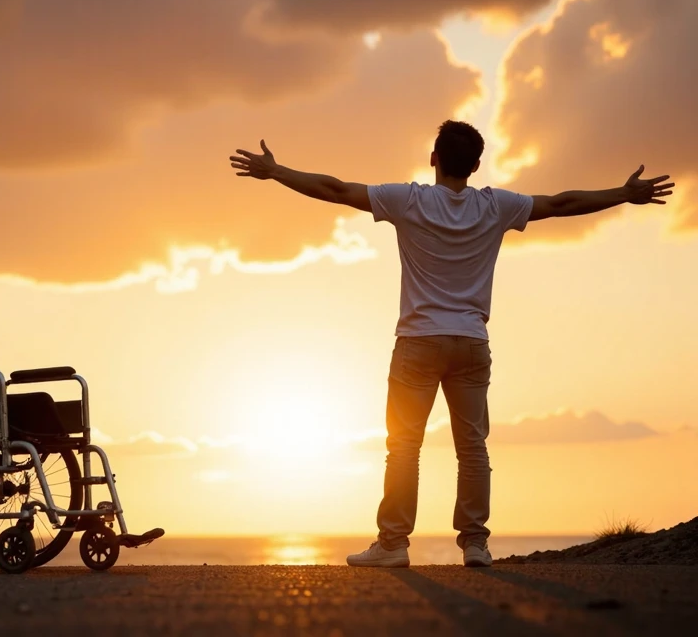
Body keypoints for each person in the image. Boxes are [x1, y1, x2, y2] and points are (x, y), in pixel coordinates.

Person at [229, 120, 674, 568]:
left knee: (404, 446)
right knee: (473, 447)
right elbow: (561, 203)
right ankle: (476, 545)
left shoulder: (409, 200)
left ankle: (393, 545)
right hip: (470, 342)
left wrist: (277, 171)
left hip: (418, 342)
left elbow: (338, 189)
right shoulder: (496, 206)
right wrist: (623, 194)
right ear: (476, 165)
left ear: (433, 158)